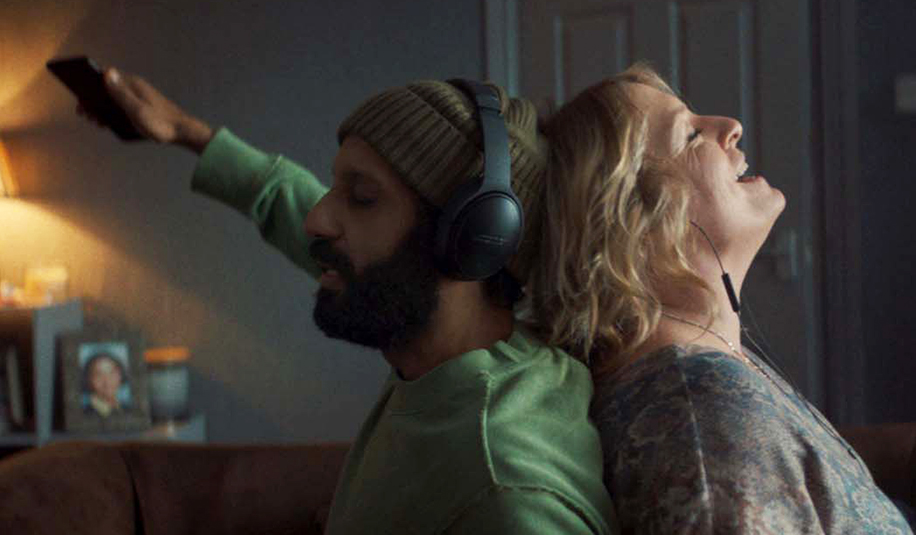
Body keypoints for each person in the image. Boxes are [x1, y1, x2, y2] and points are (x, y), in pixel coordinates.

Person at [82, 67, 618, 534]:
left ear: (468, 241)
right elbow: (296, 206)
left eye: (362, 197)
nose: (317, 219)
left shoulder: (506, 490)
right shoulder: (450, 354)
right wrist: (186, 132)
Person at [529, 63, 916, 533]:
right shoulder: (706, 423)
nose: (731, 126)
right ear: (635, 225)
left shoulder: (706, 373)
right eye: (690, 135)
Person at [82, 352, 127, 417]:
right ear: (88, 380)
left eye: (112, 373)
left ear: (121, 375)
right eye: (99, 375)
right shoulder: (86, 414)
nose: (107, 381)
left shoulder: (125, 409)